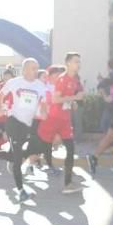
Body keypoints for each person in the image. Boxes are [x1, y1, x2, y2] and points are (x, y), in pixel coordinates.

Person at [0, 58, 49, 203]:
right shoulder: (14, 82)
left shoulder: (40, 85)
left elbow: (44, 101)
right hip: (14, 123)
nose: (36, 71)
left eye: (37, 68)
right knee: (17, 157)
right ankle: (21, 191)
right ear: (25, 69)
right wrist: (1, 109)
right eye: (33, 68)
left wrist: (44, 112)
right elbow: (0, 96)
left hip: (29, 124)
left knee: (26, 152)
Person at [37, 54, 86, 194]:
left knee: (70, 149)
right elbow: (55, 99)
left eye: (79, 62)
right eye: (76, 62)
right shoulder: (62, 79)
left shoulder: (75, 80)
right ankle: (17, 159)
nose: (79, 64)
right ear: (68, 63)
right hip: (52, 119)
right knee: (38, 148)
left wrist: (73, 103)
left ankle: (68, 184)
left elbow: (67, 100)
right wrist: (75, 97)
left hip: (64, 120)